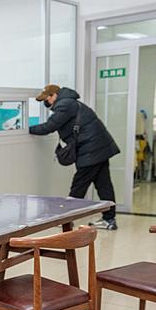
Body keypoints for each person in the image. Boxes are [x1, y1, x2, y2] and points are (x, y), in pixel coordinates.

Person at [29, 84, 121, 230]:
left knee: (79, 185)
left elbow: (49, 126)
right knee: (103, 184)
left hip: (91, 149)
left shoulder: (65, 105)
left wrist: (25, 129)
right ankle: (109, 219)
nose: (46, 103)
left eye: (47, 99)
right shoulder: (70, 102)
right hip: (99, 147)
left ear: (54, 95)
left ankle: (67, 219)